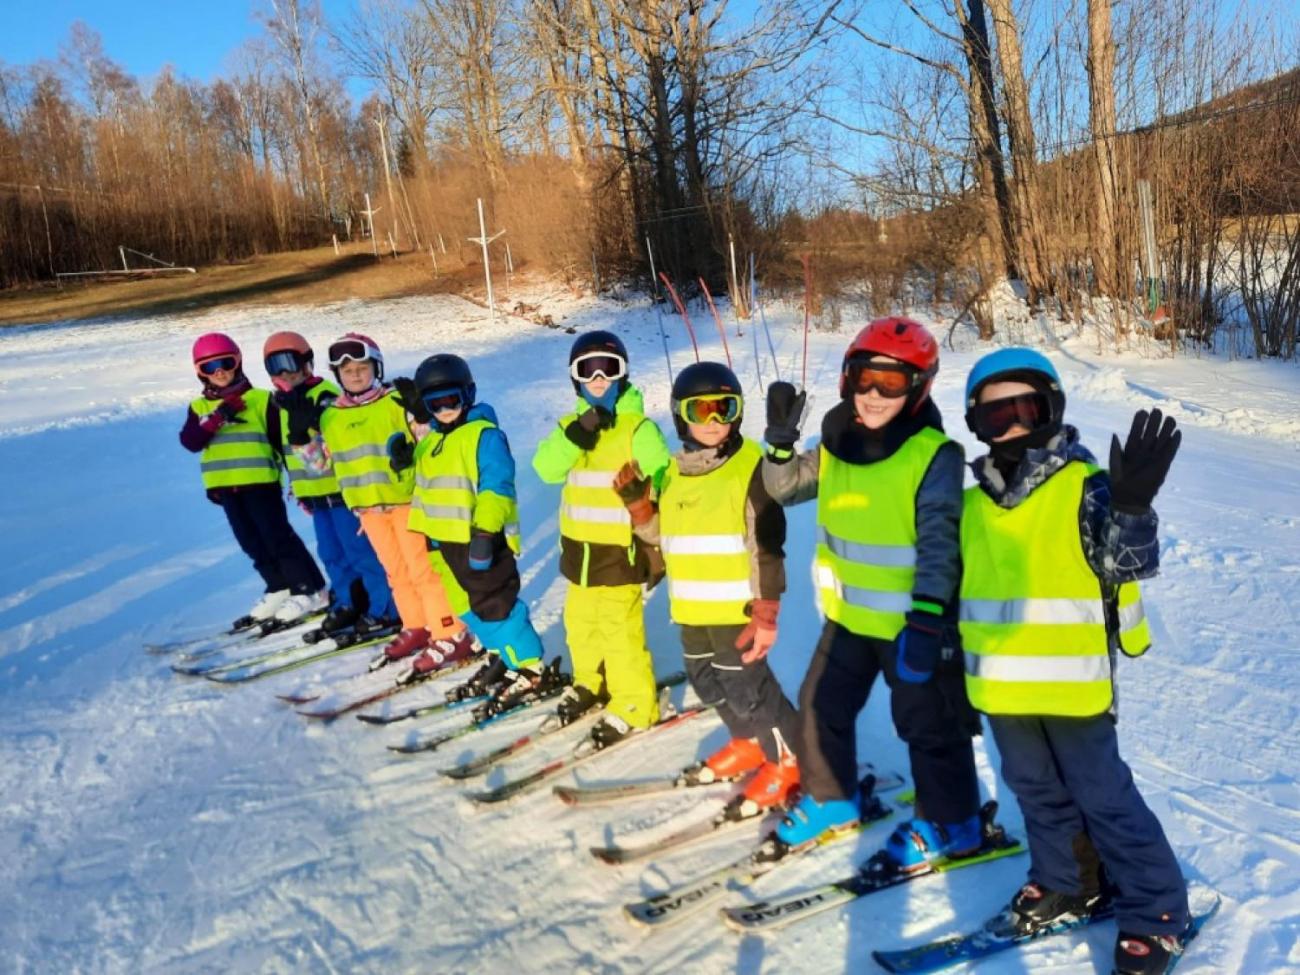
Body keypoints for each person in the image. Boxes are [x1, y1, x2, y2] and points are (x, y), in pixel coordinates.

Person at [960, 348, 1189, 975]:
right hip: (1002, 688)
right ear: (976, 425)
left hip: (1074, 685)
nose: (1011, 424)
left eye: (1024, 408)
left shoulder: (1085, 485)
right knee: (1036, 792)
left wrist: (1132, 507)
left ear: (1051, 410)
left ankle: (1157, 911)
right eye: (994, 414)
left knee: (1103, 798)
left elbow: (1126, 563)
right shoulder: (973, 503)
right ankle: (1069, 882)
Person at [763, 317, 984, 871]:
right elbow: (785, 489)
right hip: (850, 619)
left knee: (929, 727)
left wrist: (928, 619)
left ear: (919, 388)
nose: (874, 394)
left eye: (892, 382)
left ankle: (954, 822)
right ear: (847, 379)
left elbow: (939, 542)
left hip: (915, 624)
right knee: (820, 707)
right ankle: (834, 799)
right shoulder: (838, 442)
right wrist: (781, 447)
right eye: (865, 377)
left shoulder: (933, 454)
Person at [613, 362, 800, 817]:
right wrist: (641, 511)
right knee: (706, 681)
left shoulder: (749, 467)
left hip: (737, 609)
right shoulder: (675, 473)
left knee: (749, 689)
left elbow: (765, 544)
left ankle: (791, 762)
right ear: (682, 416)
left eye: (725, 409)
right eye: (702, 410)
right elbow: (666, 536)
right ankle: (747, 743)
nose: (714, 421)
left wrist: (766, 608)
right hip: (692, 609)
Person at [286, 332, 476, 664]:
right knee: (396, 573)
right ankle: (416, 624)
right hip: (368, 511)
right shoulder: (331, 415)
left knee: (423, 570)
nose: (355, 375)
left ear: (376, 367)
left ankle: (449, 630)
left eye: (362, 368)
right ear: (337, 375)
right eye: (347, 371)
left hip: (407, 503)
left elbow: (429, 444)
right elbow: (319, 465)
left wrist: (420, 416)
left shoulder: (395, 402)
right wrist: (301, 436)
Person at [531, 331, 672, 750]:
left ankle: (634, 703)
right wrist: (574, 437)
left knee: (619, 630)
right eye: (587, 370)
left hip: (619, 549)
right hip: (579, 552)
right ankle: (589, 682)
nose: (597, 378)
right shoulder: (569, 428)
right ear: (574, 378)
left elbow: (663, 473)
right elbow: (545, 469)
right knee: (580, 624)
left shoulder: (637, 428)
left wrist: (648, 497)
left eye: (607, 369)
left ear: (622, 375)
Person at [394, 353, 550, 705]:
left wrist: (485, 533)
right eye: (434, 404)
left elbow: (497, 487)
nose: (444, 410)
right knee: (467, 608)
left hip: (478, 541)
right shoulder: (430, 442)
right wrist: (403, 465)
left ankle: (530, 667)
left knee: (496, 607)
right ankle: (503, 656)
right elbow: (421, 488)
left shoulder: (484, 435)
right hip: (442, 545)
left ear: (469, 394)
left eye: (451, 400)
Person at [178, 332, 326, 627]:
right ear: (200, 372)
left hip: (260, 484)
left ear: (238, 363)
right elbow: (191, 441)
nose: (219, 372)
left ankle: (309, 588)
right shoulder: (200, 408)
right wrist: (218, 418)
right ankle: (279, 586)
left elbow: (281, 443)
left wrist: (298, 481)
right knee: (250, 541)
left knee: (277, 537)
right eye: (210, 367)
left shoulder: (260, 400)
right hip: (226, 488)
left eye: (226, 363)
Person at [263, 331, 397, 636]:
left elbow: (339, 440)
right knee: (331, 554)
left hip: (340, 490)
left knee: (360, 552)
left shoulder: (325, 395)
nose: (285, 372)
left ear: (306, 362)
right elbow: (292, 451)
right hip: (314, 493)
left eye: (290, 362)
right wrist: (298, 488)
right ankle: (350, 601)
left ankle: (385, 605)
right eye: (275, 365)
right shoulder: (281, 402)